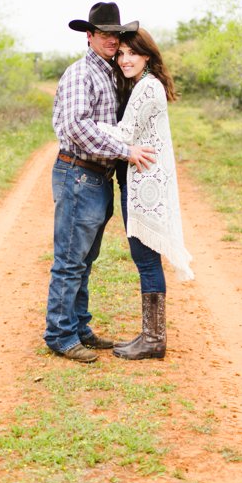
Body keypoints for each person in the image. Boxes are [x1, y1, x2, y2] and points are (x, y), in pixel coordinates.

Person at [44, 2, 157, 363]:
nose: (112, 40)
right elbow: (78, 127)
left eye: (116, 34)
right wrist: (124, 150)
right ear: (89, 35)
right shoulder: (81, 74)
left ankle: (78, 325)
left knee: (84, 258)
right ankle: (60, 334)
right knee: (70, 260)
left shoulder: (108, 72)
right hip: (79, 173)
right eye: (104, 33)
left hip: (95, 177)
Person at [98, 28, 194, 360]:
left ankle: (154, 339)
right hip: (141, 183)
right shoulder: (144, 85)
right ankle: (150, 335)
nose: (124, 59)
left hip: (145, 189)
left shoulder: (146, 87)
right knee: (145, 260)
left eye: (131, 54)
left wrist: (84, 126)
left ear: (147, 56)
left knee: (146, 260)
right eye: (121, 54)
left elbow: (124, 133)